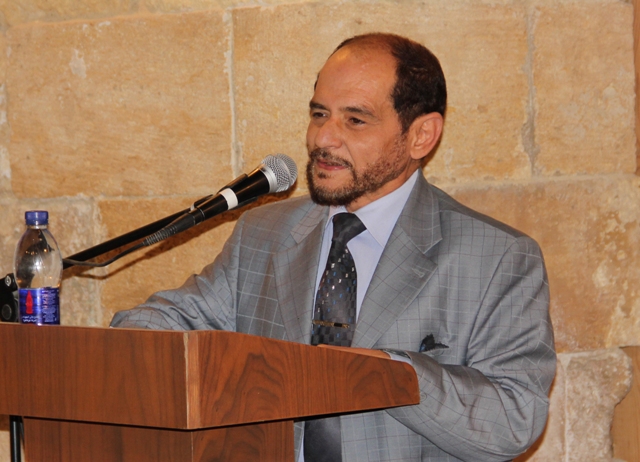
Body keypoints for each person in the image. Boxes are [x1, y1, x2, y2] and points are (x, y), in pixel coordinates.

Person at [111, 33, 556, 462]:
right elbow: (171, 323)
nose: (323, 138)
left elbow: (512, 420)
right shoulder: (263, 233)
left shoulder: (497, 257)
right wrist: (116, 347)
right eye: (319, 113)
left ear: (421, 135)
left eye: (355, 120)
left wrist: (384, 373)